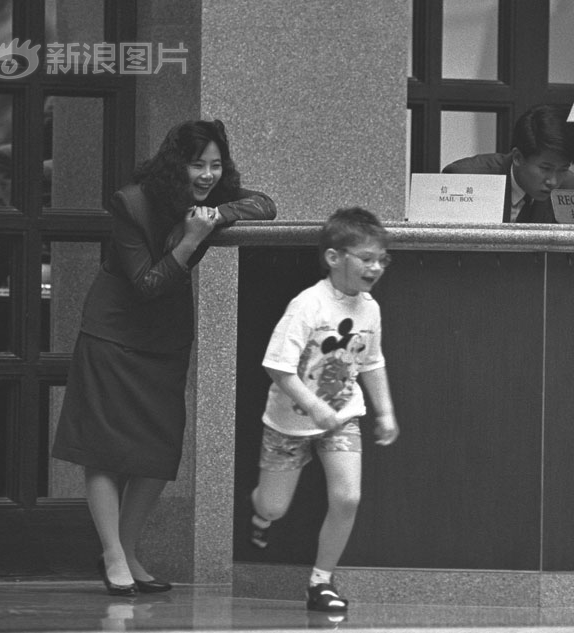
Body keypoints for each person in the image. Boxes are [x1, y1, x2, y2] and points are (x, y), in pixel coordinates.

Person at [52, 119, 276, 595]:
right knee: (104, 450)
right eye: (198, 165)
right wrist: (191, 237)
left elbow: (264, 205)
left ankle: (128, 550)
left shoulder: (213, 196)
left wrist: (216, 213)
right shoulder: (131, 202)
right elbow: (147, 283)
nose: (208, 175)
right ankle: (114, 555)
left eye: (216, 165)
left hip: (166, 336)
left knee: (158, 451)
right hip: (114, 332)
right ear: (177, 165)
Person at [249, 207, 399, 613]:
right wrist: (314, 407)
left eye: (382, 259)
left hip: (342, 417)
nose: (375, 267)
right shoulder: (308, 305)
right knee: (274, 506)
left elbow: (372, 361)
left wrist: (385, 411)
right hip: (289, 422)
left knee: (348, 498)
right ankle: (260, 511)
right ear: (334, 257)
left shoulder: (370, 308)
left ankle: (321, 581)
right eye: (366, 258)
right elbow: (277, 366)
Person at [442, 104, 574, 223]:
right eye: (546, 168)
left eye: (563, 169)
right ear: (517, 158)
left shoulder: (567, 185)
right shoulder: (466, 178)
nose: (553, 181)